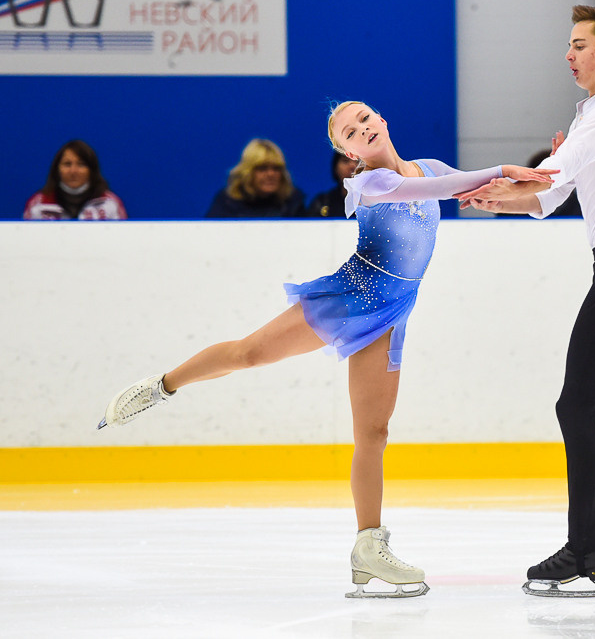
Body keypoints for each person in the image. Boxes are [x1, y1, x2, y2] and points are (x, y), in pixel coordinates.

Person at [98, 100, 555, 598]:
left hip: (392, 312)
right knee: (250, 353)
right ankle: (161, 386)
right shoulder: (369, 184)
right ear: (348, 152)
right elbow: (443, 190)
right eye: (349, 133)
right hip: (349, 297)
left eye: (365, 119)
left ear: (382, 120)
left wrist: (553, 173)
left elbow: (482, 191)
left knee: (373, 432)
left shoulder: (431, 167)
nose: (362, 130)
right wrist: (502, 169)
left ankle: (368, 548)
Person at [458, 6, 595, 597]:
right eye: (569, 45)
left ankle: (587, 548)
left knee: (577, 408)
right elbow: (552, 194)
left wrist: (502, 180)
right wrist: (499, 200)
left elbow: (552, 174)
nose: (569, 55)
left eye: (580, 45)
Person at [23, 140, 127, 220]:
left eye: (81, 165)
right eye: (67, 164)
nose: (73, 171)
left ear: (91, 170)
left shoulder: (109, 203)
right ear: (57, 169)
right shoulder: (39, 204)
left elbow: (122, 238)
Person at [205, 139, 306, 218]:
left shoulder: (293, 203)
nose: (271, 174)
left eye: (276, 169)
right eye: (262, 168)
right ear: (248, 173)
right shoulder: (227, 203)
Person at [308, 151, 357, 217]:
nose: (352, 166)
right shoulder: (323, 203)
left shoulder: (372, 205)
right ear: (335, 167)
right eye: (345, 161)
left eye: (358, 162)